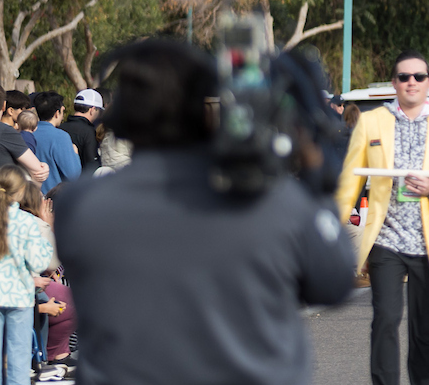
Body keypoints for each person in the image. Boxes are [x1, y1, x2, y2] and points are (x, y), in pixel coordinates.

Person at [55, 38, 357, 384]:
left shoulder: (79, 207)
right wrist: (317, 173)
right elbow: (333, 282)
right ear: (204, 114)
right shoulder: (273, 202)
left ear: (122, 117)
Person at [336, 51, 429, 385]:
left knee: (425, 327)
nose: (411, 82)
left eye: (418, 76)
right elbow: (350, 181)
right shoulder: (372, 122)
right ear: (394, 83)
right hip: (387, 239)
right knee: (385, 319)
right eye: (404, 77)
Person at [0, 165, 49, 385]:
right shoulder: (25, 221)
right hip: (19, 295)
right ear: (20, 191)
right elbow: (39, 261)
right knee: (19, 360)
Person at [0, 103, 44, 189]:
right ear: (35, 128)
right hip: (25, 168)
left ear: (18, 124)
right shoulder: (31, 138)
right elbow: (35, 168)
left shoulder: (17, 135)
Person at [63, 92, 99, 176]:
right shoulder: (89, 131)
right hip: (80, 182)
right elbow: (91, 164)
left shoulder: (60, 127)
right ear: (92, 110)